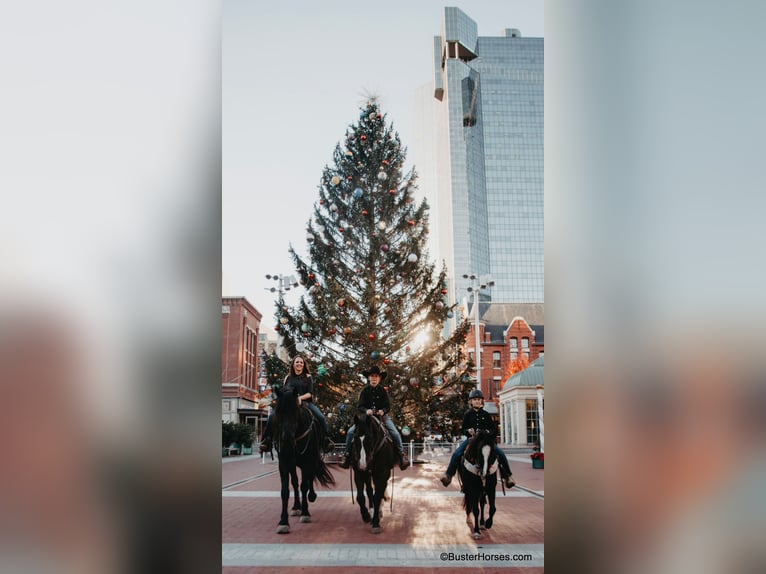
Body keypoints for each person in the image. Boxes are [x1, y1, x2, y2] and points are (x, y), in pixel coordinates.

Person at [440, 389, 515, 489]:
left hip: (486, 440)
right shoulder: (467, 414)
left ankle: (508, 477)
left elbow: (494, 429)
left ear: (482, 401)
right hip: (472, 440)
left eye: (479, 399)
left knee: (500, 453)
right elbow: (463, 429)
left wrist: (489, 432)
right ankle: (448, 475)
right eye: (475, 399)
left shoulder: (486, 414)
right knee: (457, 453)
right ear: (471, 401)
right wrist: (468, 431)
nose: (477, 401)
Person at [259, 354, 335, 453]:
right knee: (272, 416)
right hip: (289, 404)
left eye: (301, 362)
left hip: (305, 403)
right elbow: (285, 391)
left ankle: (326, 440)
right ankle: (266, 440)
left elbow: (310, 393)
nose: (299, 364)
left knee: (320, 417)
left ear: (303, 365)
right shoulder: (287, 377)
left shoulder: (308, 377)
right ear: (293, 364)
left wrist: (299, 398)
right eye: (297, 362)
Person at [340, 365, 409, 471]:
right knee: (350, 432)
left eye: (376, 376)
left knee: (395, 433)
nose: (374, 378)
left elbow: (387, 406)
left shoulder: (383, 391)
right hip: (366, 418)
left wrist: (383, 411)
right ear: (368, 378)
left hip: (382, 417)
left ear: (379, 378)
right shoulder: (364, 391)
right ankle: (346, 456)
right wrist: (366, 411)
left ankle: (401, 456)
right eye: (372, 376)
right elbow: (360, 406)